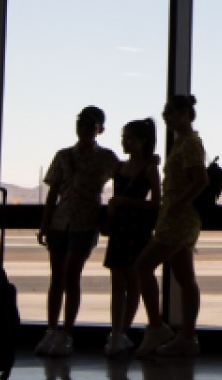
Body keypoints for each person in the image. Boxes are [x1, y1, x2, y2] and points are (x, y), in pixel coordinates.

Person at [35, 106, 121, 357]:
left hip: (85, 222)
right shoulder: (63, 156)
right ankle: (52, 329)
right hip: (61, 222)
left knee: (71, 276)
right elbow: (52, 193)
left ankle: (67, 332)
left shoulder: (106, 157)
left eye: (89, 124)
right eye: (81, 122)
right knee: (57, 277)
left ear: (100, 129)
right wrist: (46, 223)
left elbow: (125, 177)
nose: (83, 128)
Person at [131, 95, 208, 356]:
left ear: (185, 112)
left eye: (170, 112)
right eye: (164, 113)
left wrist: (178, 204)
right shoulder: (182, 143)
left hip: (178, 219)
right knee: (185, 277)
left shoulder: (190, 144)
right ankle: (187, 336)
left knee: (142, 266)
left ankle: (156, 327)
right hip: (177, 218)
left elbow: (201, 180)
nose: (166, 117)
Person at [103, 119, 161, 355]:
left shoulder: (148, 169)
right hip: (121, 228)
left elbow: (156, 202)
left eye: (129, 138)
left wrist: (123, 202)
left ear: (142, 141)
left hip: (136, 229)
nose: (124, 142)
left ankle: (122, 330)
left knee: (131, 280)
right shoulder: (119, 167)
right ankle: (117, 331)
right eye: (123, 137)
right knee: (118, 282)